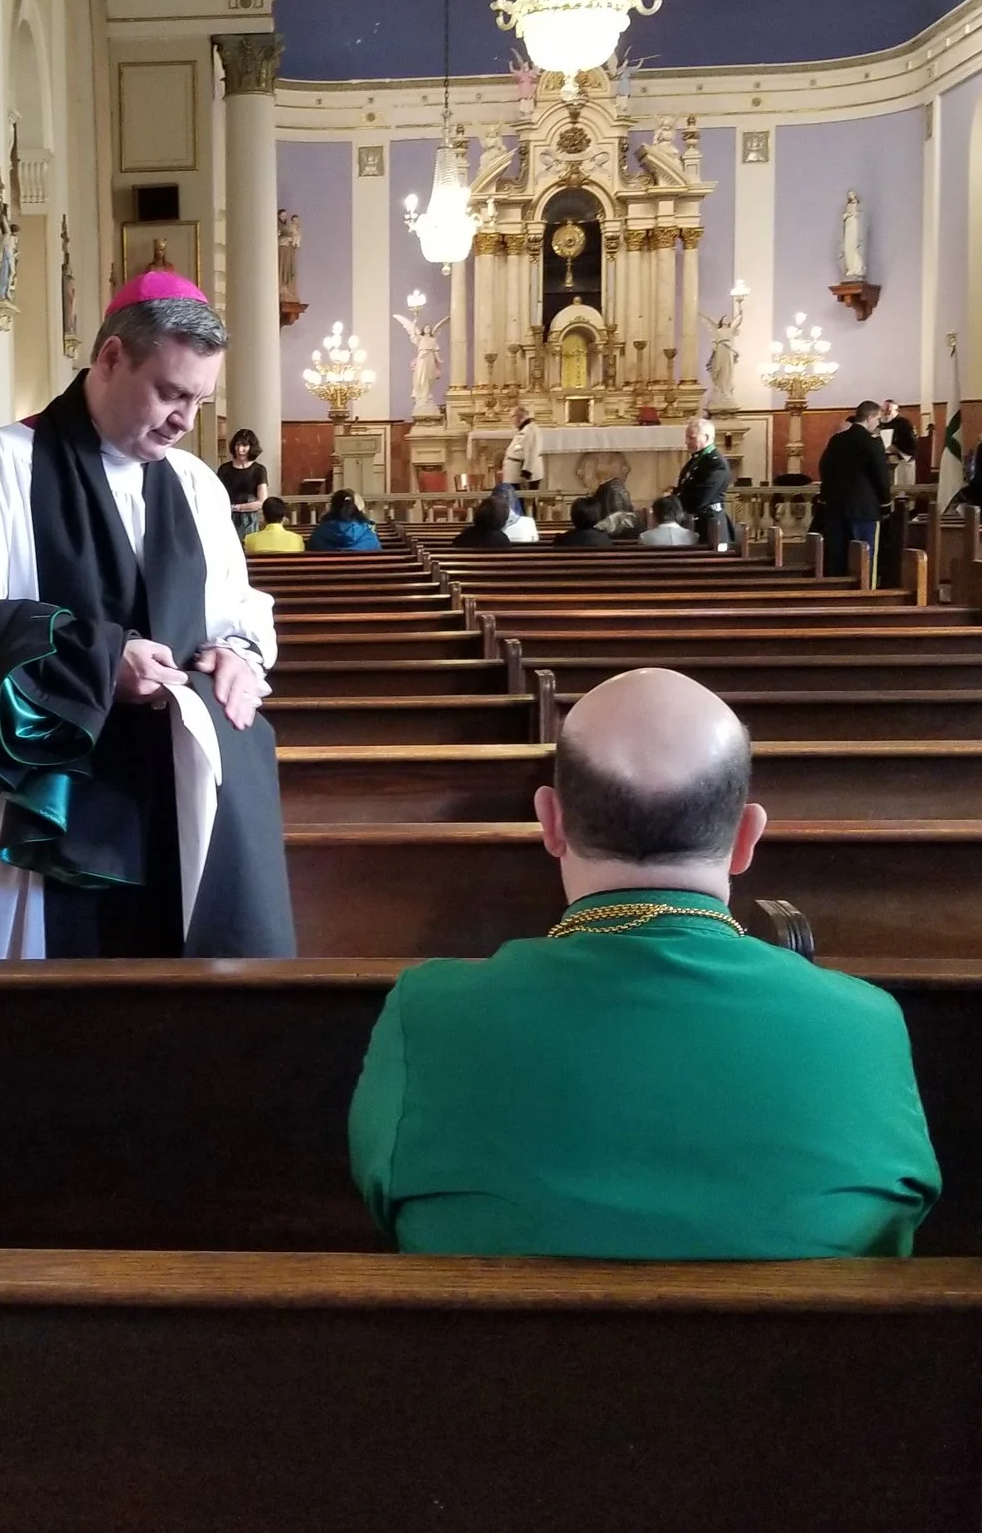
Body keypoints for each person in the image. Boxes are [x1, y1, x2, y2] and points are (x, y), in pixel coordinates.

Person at [348, 669, 941, 1258]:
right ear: (746, 837)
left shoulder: (427, 1012)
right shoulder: (867, 1023)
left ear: (551, 822)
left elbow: (384, 1201)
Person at [0, 269, 295, 960]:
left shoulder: (197, 487)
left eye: (199, 400)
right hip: (31, 804)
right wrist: (102, 663)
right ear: (110, 357)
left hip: (167, 790)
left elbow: (236, 608)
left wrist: (238, 653)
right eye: (171, 393)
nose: (186, 420)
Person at [816, 401, 893, 580]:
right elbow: (881, 477)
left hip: (836, 508)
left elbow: (825, 468)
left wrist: (826, 497)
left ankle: (838, 594)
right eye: (877, 419)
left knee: (838, 559)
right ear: (870, 417)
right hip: (864, 509)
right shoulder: (873, 441)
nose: (877, 424)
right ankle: (866, 593)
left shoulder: (837, 440)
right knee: (865, 559)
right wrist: (886, 505)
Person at [673, 417, 735, 548]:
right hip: (696, 523)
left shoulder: (716, 464)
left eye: (691, 438)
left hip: (711, 526)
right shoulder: (698, 459)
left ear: (706, 438)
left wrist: (676, 503)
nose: (686, 442)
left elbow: (701, 499)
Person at [218, 427, 269, 540]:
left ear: (251, 447)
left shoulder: (259, 470)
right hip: (227, 517)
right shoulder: (224, 469)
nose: (240, 450)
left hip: (250, 520)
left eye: (245, 446)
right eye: (237, 445)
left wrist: (237, 507)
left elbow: (262, 501)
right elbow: (217, 495)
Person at [306, 489, 383, 552]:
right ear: (358, 511)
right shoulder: (369, 534)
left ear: (333, 508)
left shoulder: (319, 533)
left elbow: (309, 553)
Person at [502, 407, 540, 489]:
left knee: (524, 497)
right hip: (514, 475)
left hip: (522, 476)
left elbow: (532, 452)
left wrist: (525, 474)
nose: (511, 420)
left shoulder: (530, 429)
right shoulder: (524, 429)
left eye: (512, 417)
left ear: (519, 417)